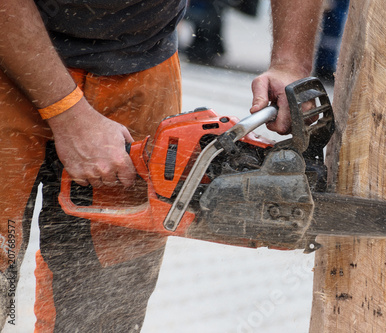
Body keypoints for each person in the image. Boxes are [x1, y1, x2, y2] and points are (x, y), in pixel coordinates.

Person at [0, 0, 323, 331]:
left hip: (140, 70)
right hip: (10, 58)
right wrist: (67, 112)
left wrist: (289, 62)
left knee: (104, 310)